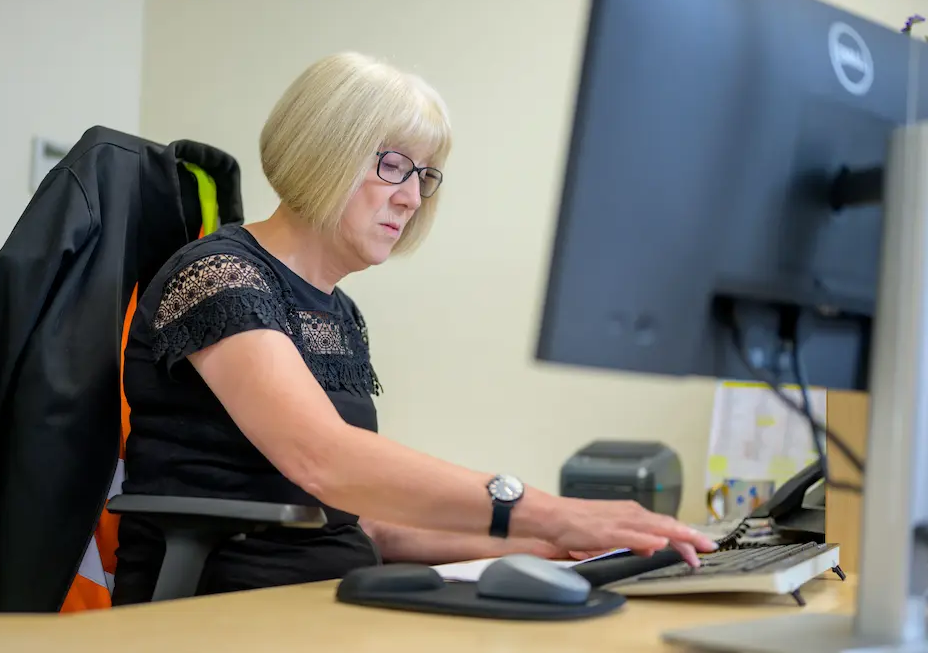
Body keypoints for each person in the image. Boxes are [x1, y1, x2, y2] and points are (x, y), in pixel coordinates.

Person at [111, 51, 716, 604]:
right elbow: (326, 460)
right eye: (393, 165)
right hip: (235, 603)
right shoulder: (218, 275)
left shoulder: (338, 313)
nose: (411, 198)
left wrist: (551, 549)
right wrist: (549, 513)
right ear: (321, 150)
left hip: (331, 591)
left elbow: (364, 519)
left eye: (423, 176)